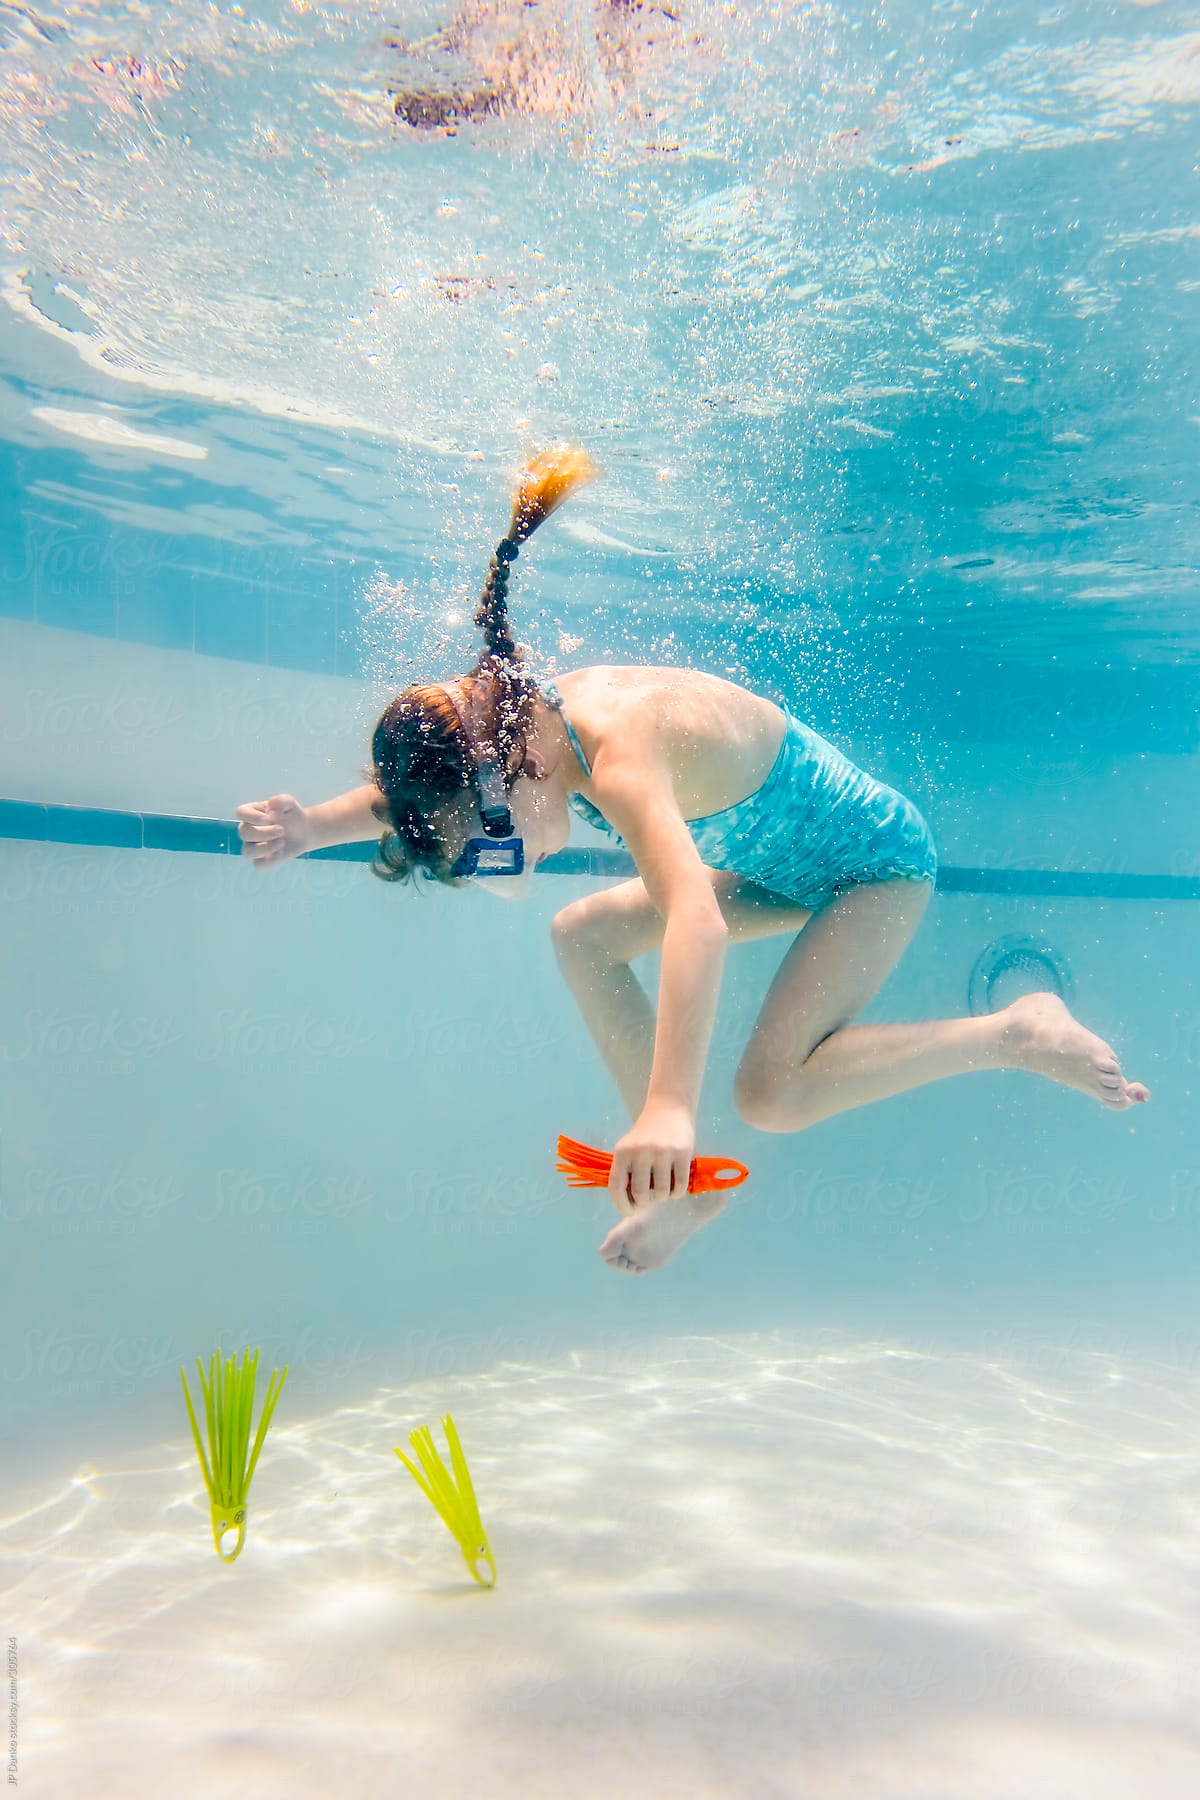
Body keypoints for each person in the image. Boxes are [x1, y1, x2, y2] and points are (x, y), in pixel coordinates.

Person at [237, 448, 1149, 1275]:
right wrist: (315, 826)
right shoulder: (524, 741)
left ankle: (1013, 1034)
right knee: (581, 933)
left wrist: (672, 1105)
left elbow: (695, 919)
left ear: (506, 776)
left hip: (872, 866)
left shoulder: (618, 749)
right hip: (778, 866)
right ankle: (687, 1185)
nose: (508, 857)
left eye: (493, 840)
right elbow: (424, 796)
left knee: (772, 1094)